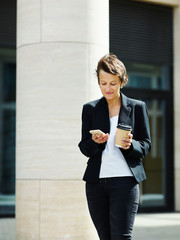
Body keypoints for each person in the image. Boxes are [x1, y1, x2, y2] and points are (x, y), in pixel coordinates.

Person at [78, 53, 151, 240]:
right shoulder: (90, 109)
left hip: (125, 182)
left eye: (113, 83)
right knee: (105, 237)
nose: (108, 88)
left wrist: (131, 145)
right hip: (96, 184)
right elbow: (84, 148)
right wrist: (95, 143)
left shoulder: (137, 107)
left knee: (121, 237)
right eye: (103, 83)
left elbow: (146, 145)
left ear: (122, 81)